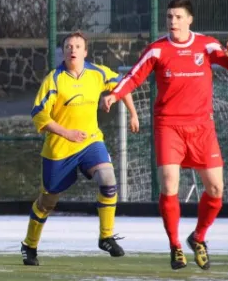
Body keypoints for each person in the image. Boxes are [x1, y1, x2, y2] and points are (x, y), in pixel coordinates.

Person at [101, 0, 228, 270]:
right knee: (169, 185)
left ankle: (198, 238)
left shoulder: (206, 44)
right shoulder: (157, 50)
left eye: (178, 17)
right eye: (169, 17)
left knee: (216, 189)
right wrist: (114, 95)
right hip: (169, 126)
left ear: (190, 20)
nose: (173, 22)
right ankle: (175, 246)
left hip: (202, 127)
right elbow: (133, 76)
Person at [20, 31, 140, 266]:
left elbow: (123, 84)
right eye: (68, 46)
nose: (72, 50)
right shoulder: (54, 79)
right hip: (59, 149)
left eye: (77, 46)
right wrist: (67, 133)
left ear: (85, 52)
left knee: (107, 178)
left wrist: (131, 113)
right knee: (47, 202)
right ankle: (29, 244)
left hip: (90, 141)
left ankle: (106, 236)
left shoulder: (97, 73)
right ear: (63, 52)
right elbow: (38, 114)